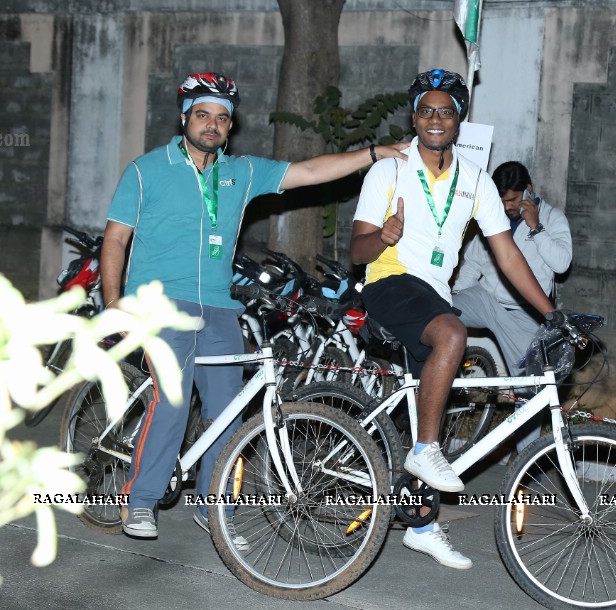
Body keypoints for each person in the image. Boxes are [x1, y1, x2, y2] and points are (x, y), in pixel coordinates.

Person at [101, 72, 405, 539]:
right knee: (174, 399)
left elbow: (308, 171)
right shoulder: (145, 171)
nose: (212, 125)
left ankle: (212, 507)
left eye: (222, 118)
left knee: (227, 408)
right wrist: (113, 303)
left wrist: (373, 154)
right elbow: (116, 239)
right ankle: (140, 502)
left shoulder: (239, 173)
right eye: (203, 115)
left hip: (220, 307)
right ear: (185, 117)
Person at [351, 69, 557, 570]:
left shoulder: (475, 181)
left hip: (434, 295)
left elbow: (507, 255)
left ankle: (420, 525)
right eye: (426, 110)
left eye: (445, 110)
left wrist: (552, 314)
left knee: (433, 403)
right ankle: (423, 450)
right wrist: (385, 235)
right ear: (415, 117)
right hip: (389, 284)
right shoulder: (389, 171)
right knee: (454, 335)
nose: (435, 118)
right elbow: (356, 249)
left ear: (459, 119)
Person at [452, 160, 572, 451]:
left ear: (528, 191)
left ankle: (524, 467)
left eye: (513, 199)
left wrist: (536, 228)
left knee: (530, 392)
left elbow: (562, 263)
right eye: (501, 200)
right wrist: (456, 295)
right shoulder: (494, 216)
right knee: (437, 312)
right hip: (485, 298)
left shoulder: (553, 218)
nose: (507, 206)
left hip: (524, 314)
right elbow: (474, 262)